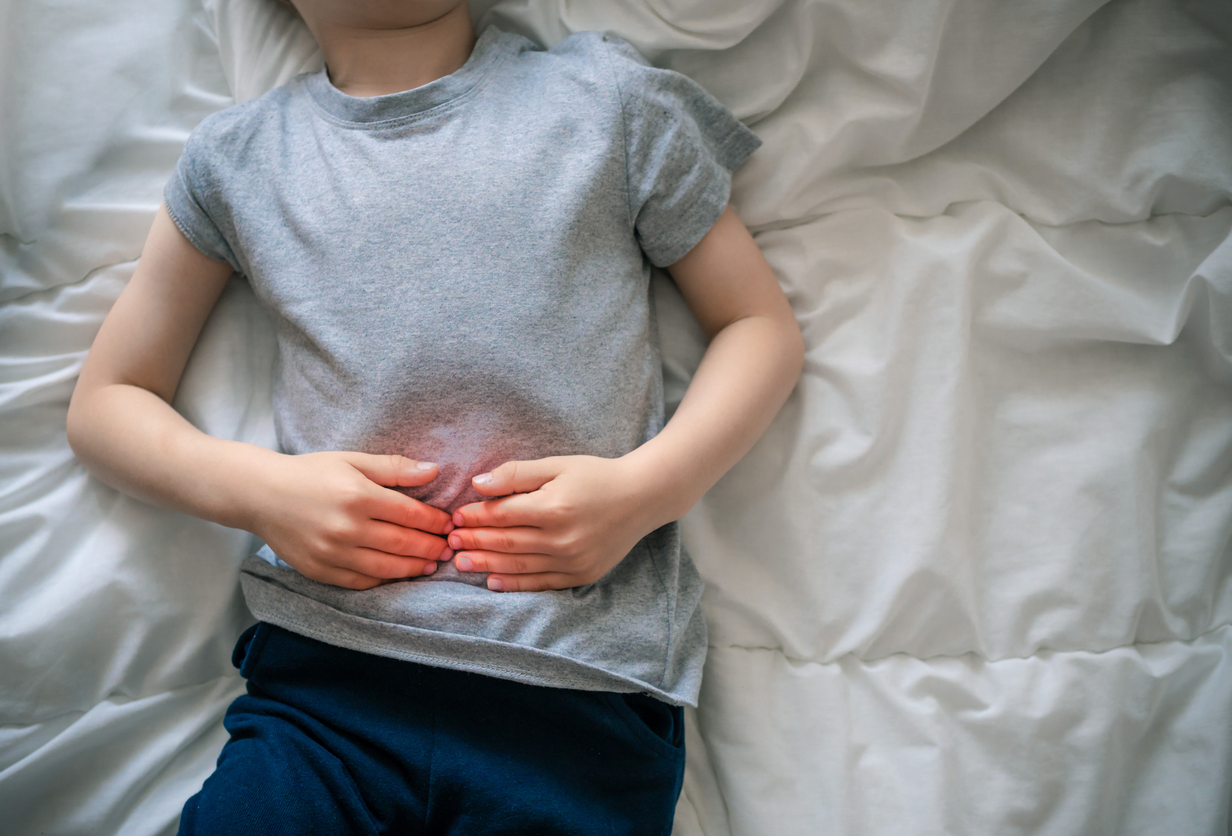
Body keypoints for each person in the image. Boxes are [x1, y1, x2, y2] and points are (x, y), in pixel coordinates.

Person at [66, 1, 804, 833]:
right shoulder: (236, 158)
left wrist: (645, 492)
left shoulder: (609, 99)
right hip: (330, 694)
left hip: (578, 698)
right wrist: (262, 491)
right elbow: (106, 404)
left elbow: (759, 329)